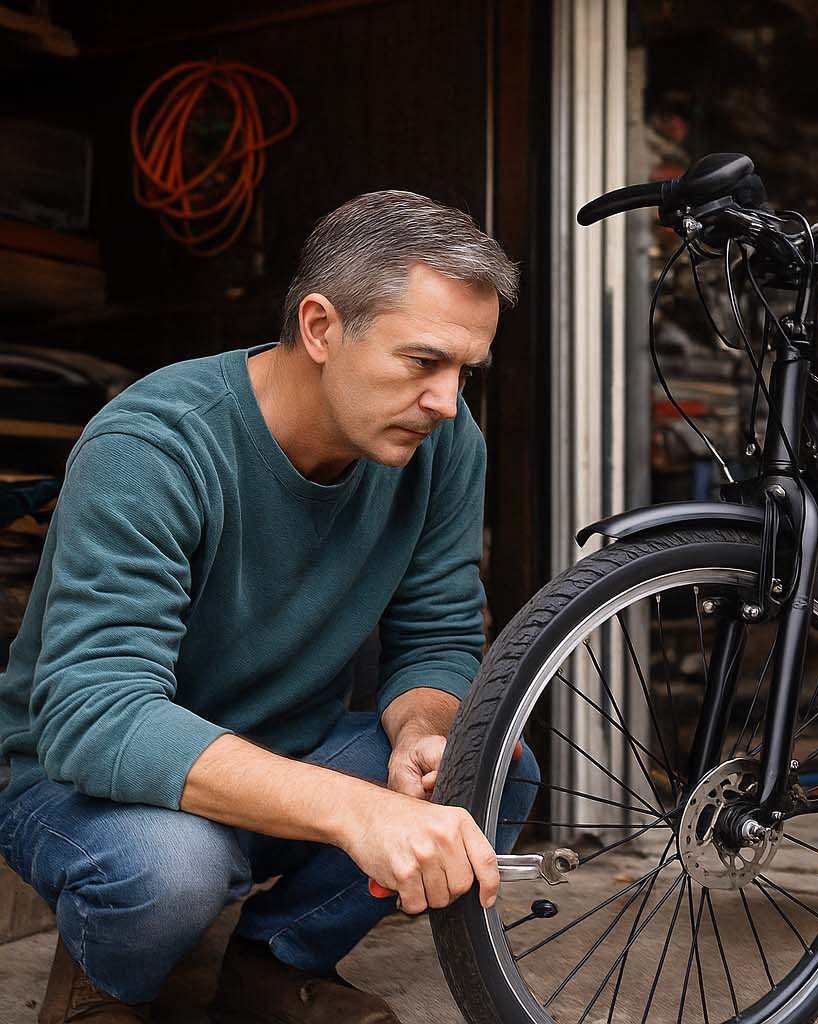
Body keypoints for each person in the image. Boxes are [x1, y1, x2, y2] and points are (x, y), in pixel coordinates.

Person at [0, 191, 538, 1022]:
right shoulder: (154, 446)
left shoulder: (444, 443)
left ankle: (271, 964)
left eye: (465, 370)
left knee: (491, 770)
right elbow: (95, 715)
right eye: (422, 361)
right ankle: (108, 982)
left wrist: (422, 733)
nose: (446, 399)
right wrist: (358, 810)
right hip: (83, 785)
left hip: (287, 748)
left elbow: (436, 631)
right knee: (169, 868)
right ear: (321, 328)